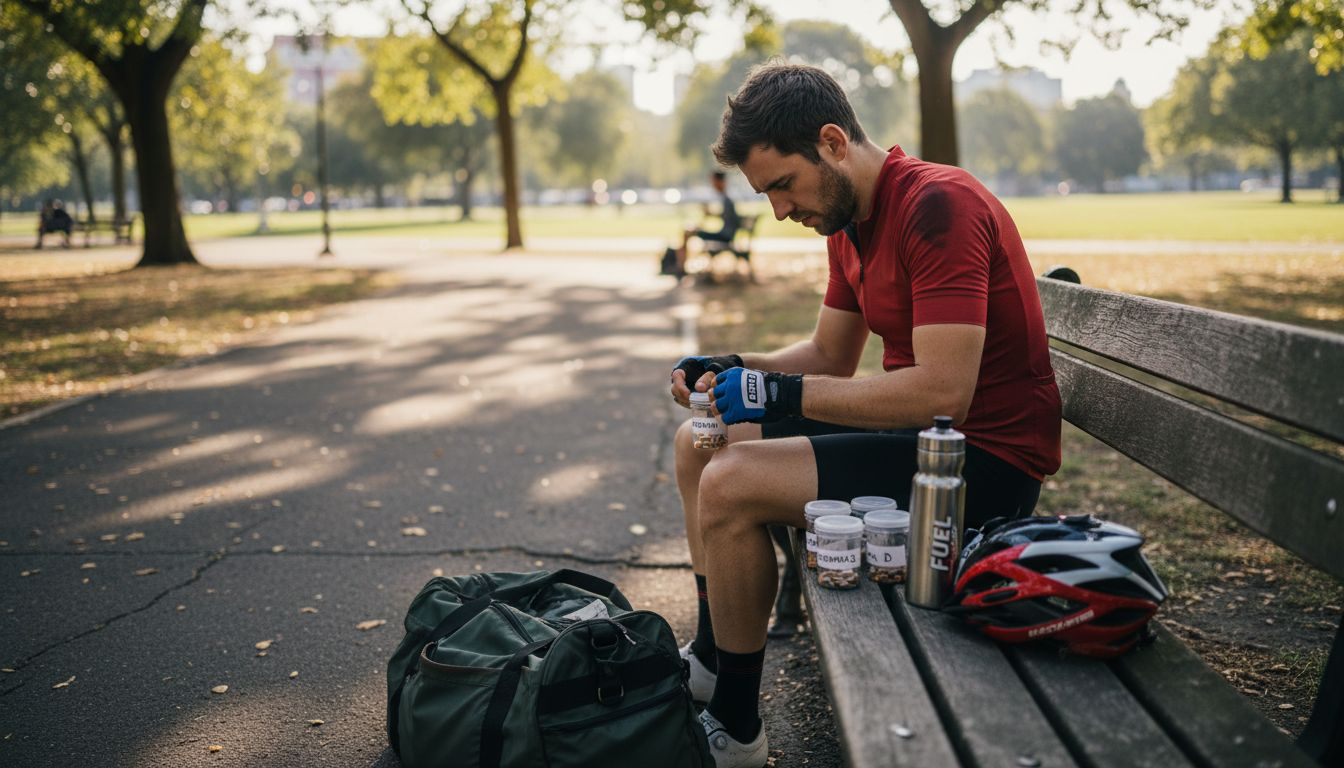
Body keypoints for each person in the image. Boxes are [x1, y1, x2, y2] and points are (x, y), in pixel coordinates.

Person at [667, 62, 1062, 768]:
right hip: (919, 443)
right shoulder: (849, 222)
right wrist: (734, 367)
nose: (781, 211)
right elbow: (827, 354)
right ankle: (708, 658)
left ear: (831, 142)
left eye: (783, 185)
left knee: (731, 483)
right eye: (767, 196)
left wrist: (778, 395)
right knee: (699, 443)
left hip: (979, 472)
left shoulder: (940, 205)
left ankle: (736, 729)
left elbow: (944, 395)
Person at [674, 170, 741, 277]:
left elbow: (729, 220)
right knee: (690, 230)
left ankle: (680, 267)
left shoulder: (727, 200)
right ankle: (680, 266)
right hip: (725, 234)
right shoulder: (726, 199)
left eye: (714, 181)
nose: (712, 185)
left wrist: (709, 214)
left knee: (687, 232)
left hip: (724, 236)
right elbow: (726, 217)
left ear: (720, 182)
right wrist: (710, 214)